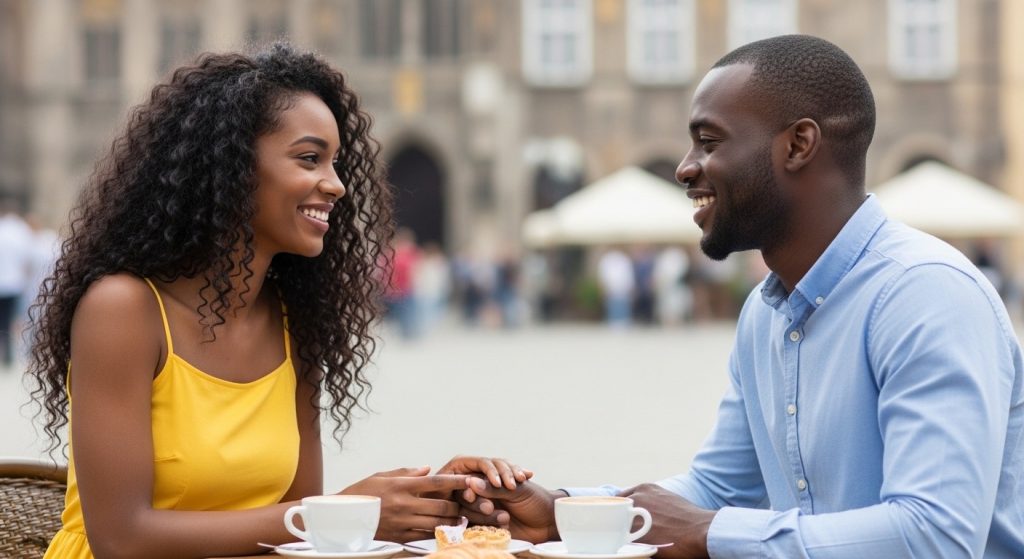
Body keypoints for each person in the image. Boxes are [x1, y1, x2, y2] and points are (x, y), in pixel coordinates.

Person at [456, 35, 1024, 558]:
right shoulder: (766, 312)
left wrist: (708, 532)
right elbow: (719, 487)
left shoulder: (924, 294)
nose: (685, 168)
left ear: (798, 145)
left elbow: (936, 536)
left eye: (708, 142)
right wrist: (561, 511)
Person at [26, 43, 527, 559]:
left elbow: (294, 536)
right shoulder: (123, 310)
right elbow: (121, 539)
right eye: (310, 159)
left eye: (336, 163)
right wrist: (342, 511)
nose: (336, 185)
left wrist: (435, 500)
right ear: (230, 165)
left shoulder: (295, 322)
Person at [0, 199, 32, 368]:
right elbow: (27, 258)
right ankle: (8, 352)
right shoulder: (21, 230)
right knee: (11, 318)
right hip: (15, 283)